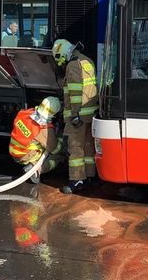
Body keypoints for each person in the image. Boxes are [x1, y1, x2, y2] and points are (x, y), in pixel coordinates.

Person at [52, 39, 99, 194]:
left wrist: (75, 114)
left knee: (75, 148)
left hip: (77, 116)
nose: (60, 63)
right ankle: (90, 176)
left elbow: (75, 93)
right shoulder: (87, 60)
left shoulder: (73, 65)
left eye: (59, 58)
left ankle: (77, 180)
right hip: (90, 113)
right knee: (88, 146)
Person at [9, 96, 65, 184]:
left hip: (13, 151)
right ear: (54, 115)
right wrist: (61, 137)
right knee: (57, 156)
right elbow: (55, 149)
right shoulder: (43, 128)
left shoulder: (25, 113)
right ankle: (35, 169)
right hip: (23, 155)